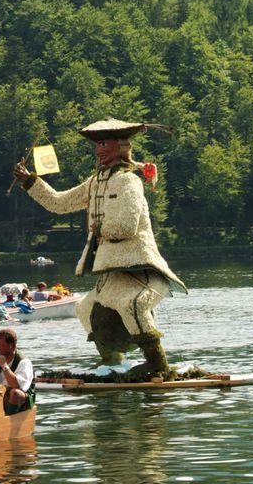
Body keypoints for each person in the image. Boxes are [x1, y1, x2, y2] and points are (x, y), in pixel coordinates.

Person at [14, 118, 187, 374]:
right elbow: (59, 203)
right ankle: (112, 361)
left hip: (143, 269)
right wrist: (30, 182)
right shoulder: (95, 182)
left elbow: (127, 226)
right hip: (112, 272)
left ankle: (157, 365)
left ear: (121, 146)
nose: (99, 150)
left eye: (104, 143)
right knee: (84, 308)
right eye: (97, 144)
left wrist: (99, 228)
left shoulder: (129, 181)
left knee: (133, 305)